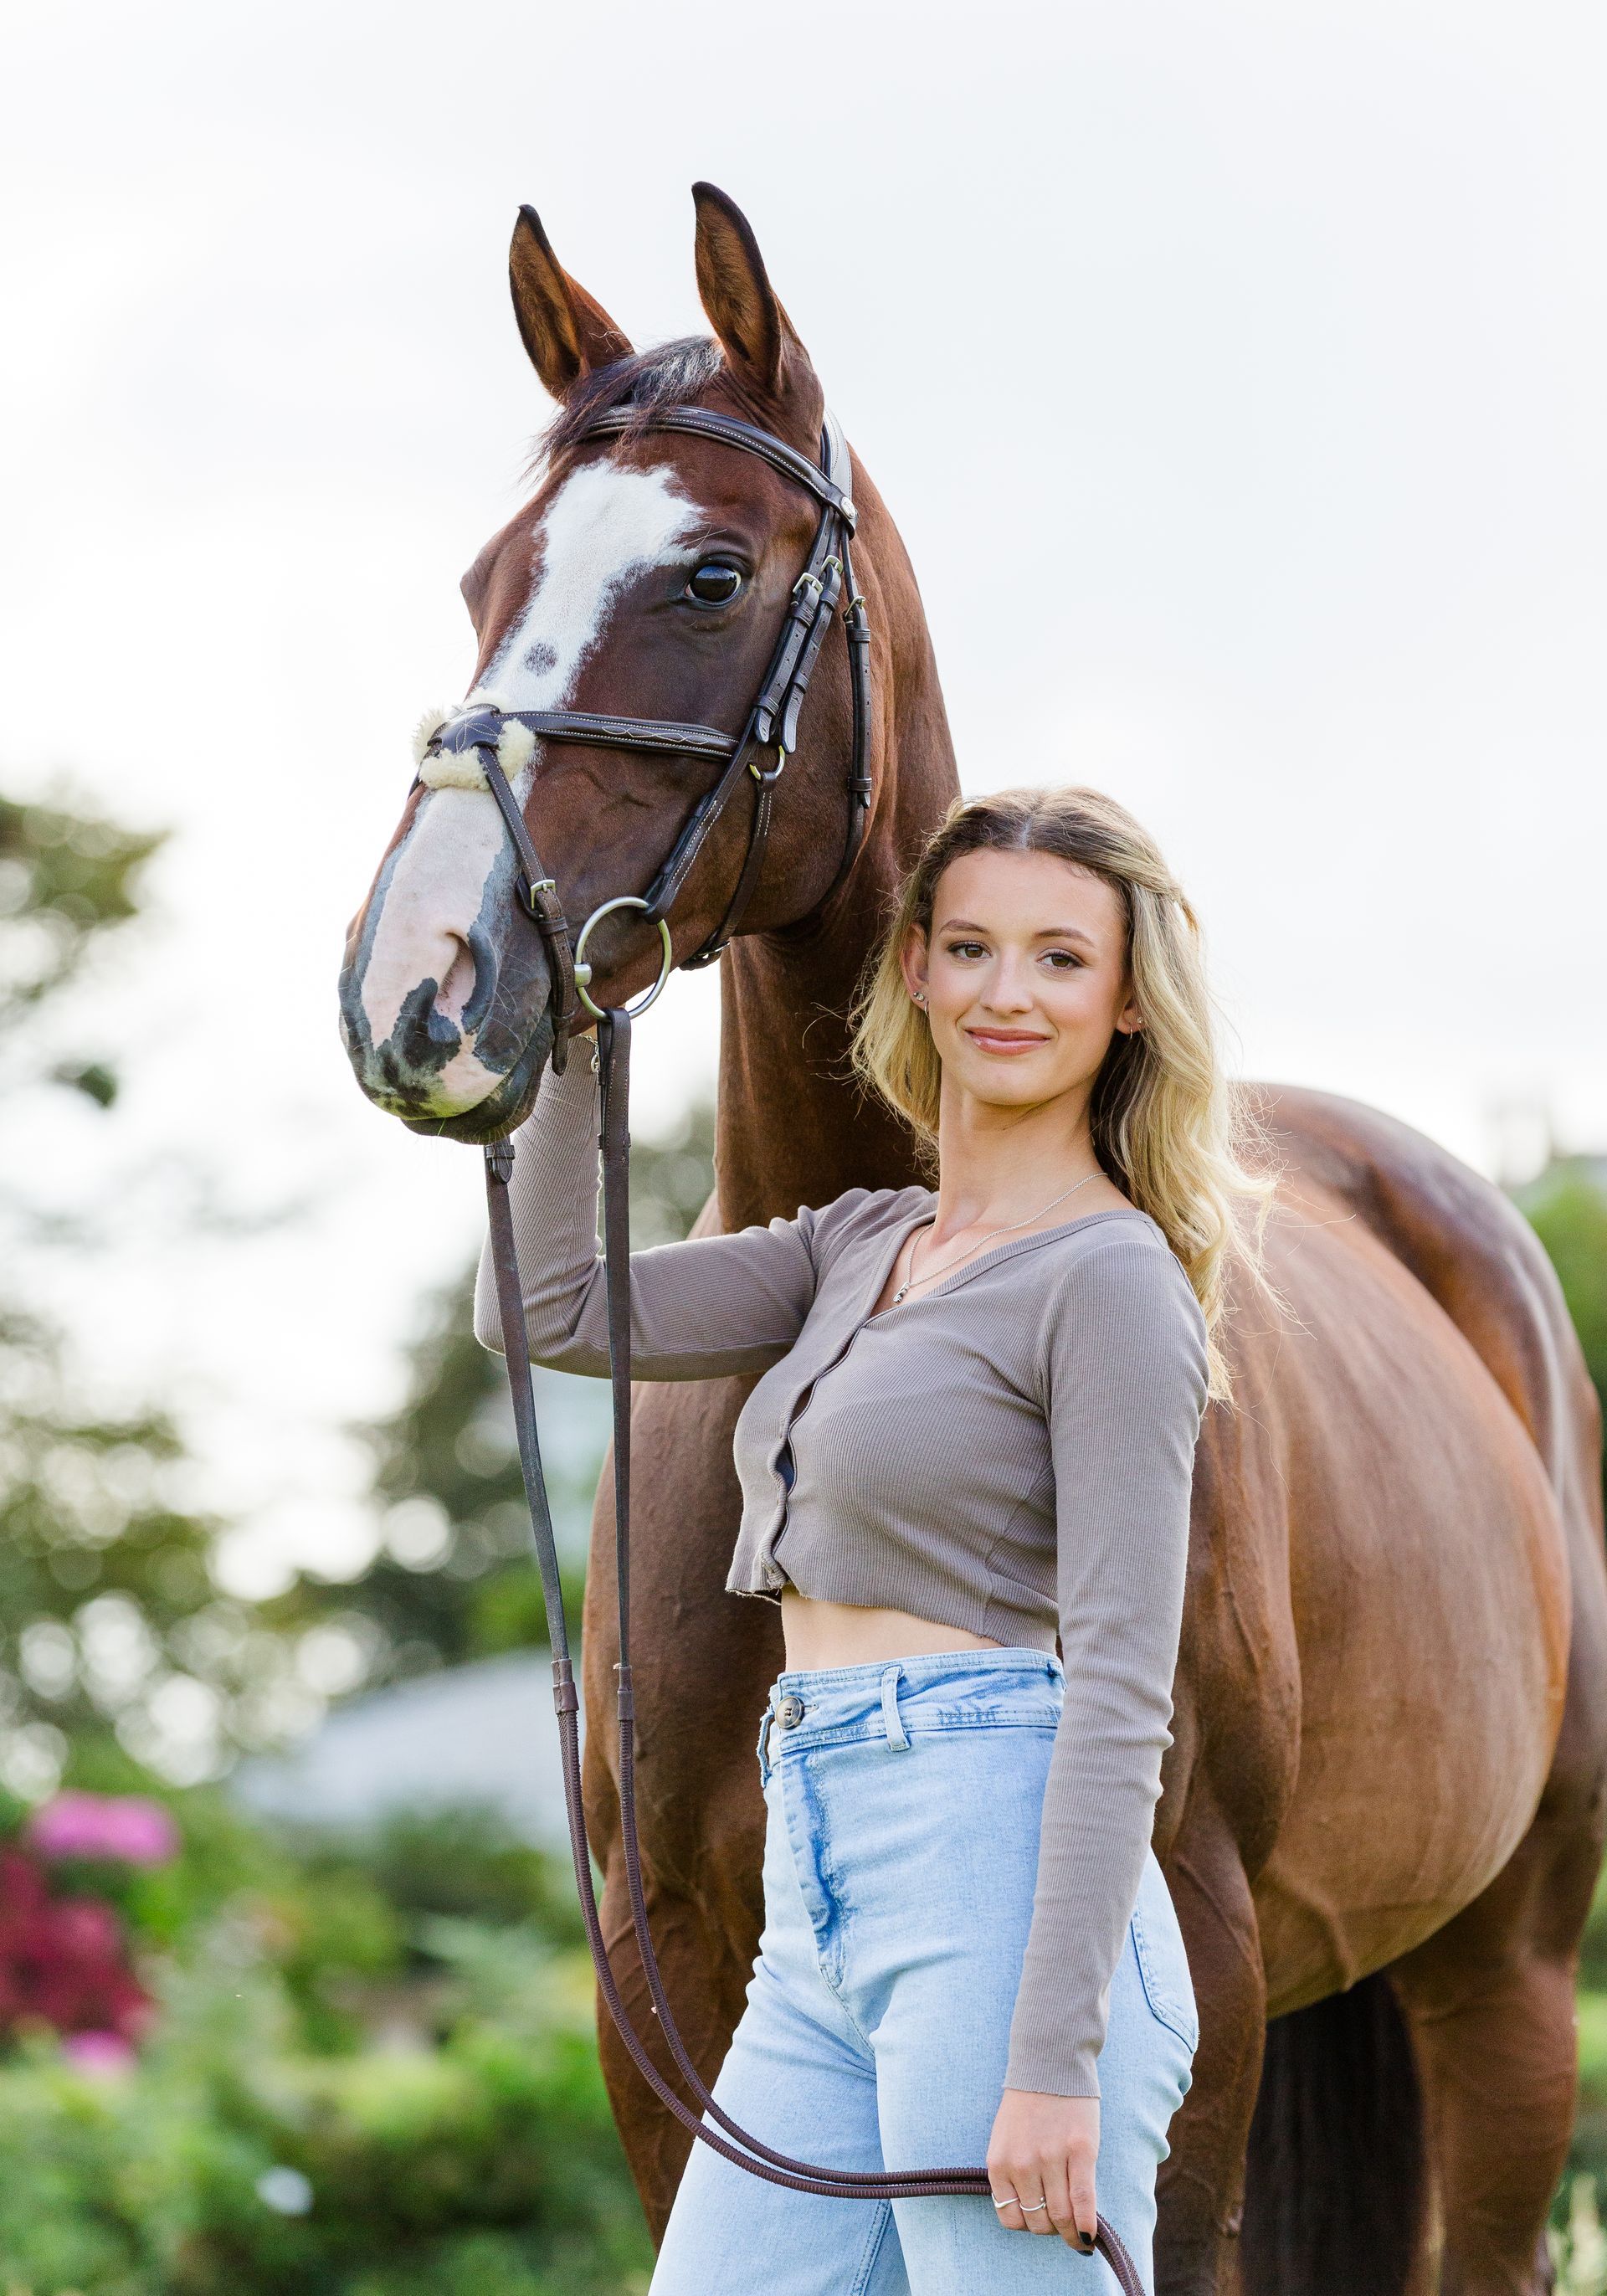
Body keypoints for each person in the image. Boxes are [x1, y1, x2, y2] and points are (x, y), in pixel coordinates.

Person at [474, 784, 1281, 2294]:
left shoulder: (1108, 1282)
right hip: (817, 1880)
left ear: (1125, 1005)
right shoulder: (854, 1244)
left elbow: (1123, 1691)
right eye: (969, 946)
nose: (1004, 993)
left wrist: (1055, 2057)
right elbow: (543, 1310)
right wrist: (578, 1034)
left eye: (1058, 959)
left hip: (998, 1865)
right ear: (913, 964)